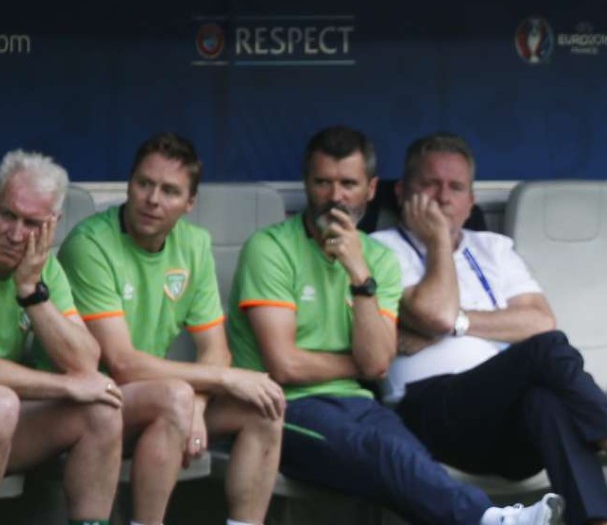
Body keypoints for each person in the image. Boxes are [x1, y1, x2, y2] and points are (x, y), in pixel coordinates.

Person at [226, 125, 564, 525]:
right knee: (381, 453)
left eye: (348, 184)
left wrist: (358, 273)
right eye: (323, 182)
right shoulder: (271, 248)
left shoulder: (377, 258)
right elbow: (285, 366)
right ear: (307, 184)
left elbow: (375, 362)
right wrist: (361, 364)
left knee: (411, 461)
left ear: (370, 190)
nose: (336, 196)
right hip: (281, 405)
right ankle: (490, 520)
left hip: (356, 403)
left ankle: (490, 520)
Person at [370, 132, 607, 525]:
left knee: (546, 399)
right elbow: (436, 312)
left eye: (455, 187)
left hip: (503, 423)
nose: (443, 197)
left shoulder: (492, 248)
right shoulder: (379, 247)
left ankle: (600, 523)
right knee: (545, 351)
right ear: (404, 191)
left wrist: (457, 325)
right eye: (430, 184)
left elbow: (539, 320)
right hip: (430, 412)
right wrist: (440, 241)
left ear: (470, 201)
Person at [58, 133, 285, 525]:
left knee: (264, 406)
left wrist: (197, 406)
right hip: (86, 403)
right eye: (144, 183)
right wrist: (222, 380)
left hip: (161, 400)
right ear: (129, 183)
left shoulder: (194, 244)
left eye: (169, 190)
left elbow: (215, 347)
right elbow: (122, 362)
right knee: (175, 397)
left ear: (190, 203)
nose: (153, 199)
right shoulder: (91, 243)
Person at [0, 150, 123, 525]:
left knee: (102, 407)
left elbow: (85, 362)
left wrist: (31, 290)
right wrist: (64, 387)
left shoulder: (42, 266)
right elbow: (73, 381)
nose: (16, 234)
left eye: (32, 223)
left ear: (51, 225)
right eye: (7, 215)